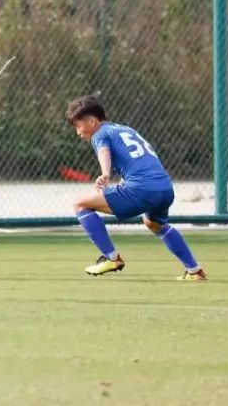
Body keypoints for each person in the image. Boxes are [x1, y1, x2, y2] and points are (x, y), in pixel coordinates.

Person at [66, 95, 206, 280]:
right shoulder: (125, 129)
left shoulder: (99, 134)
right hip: (165, 188)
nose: (78, 131)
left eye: (78, 125)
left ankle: (111, 258)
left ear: (92, 121)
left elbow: (104, 151)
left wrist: (105, 173)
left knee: (80, 204)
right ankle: (195, 271)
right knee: (153, 223)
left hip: (142, 189)